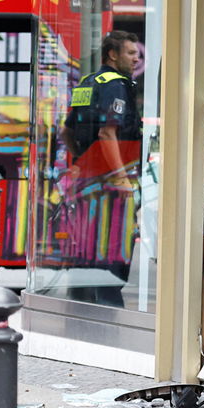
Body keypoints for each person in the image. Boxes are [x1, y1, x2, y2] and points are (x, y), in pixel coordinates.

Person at [61, 30, 142, 305]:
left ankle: (81, 311)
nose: (136, 58)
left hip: (87, 184)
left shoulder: (87, 82)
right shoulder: (116, 85)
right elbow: (107, 134)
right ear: (112, 54)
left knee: (86, 250)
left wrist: (80, 162)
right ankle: (109, 312)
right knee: (113, 253)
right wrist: (121, 178)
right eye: (130, 53)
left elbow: (66, 132)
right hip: (111, 188)